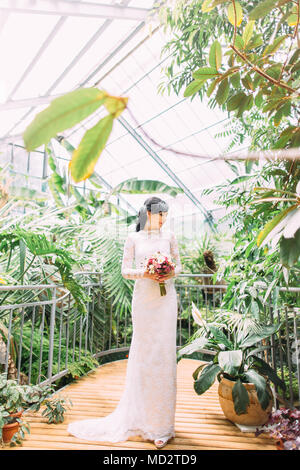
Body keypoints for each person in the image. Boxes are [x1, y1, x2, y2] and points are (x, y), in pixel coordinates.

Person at [67, 196, 182, 449]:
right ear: (148, 214)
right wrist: (148, 272)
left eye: (166, 215)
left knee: (163, 356)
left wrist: (167, 272)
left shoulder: (170, 237)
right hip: (144, 301)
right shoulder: (134, 238)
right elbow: (125, 271)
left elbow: (179, 266)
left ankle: (162, 425)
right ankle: (140, 419)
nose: (163, 219)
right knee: (144, 355)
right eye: (159, 214)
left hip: (165, 301)